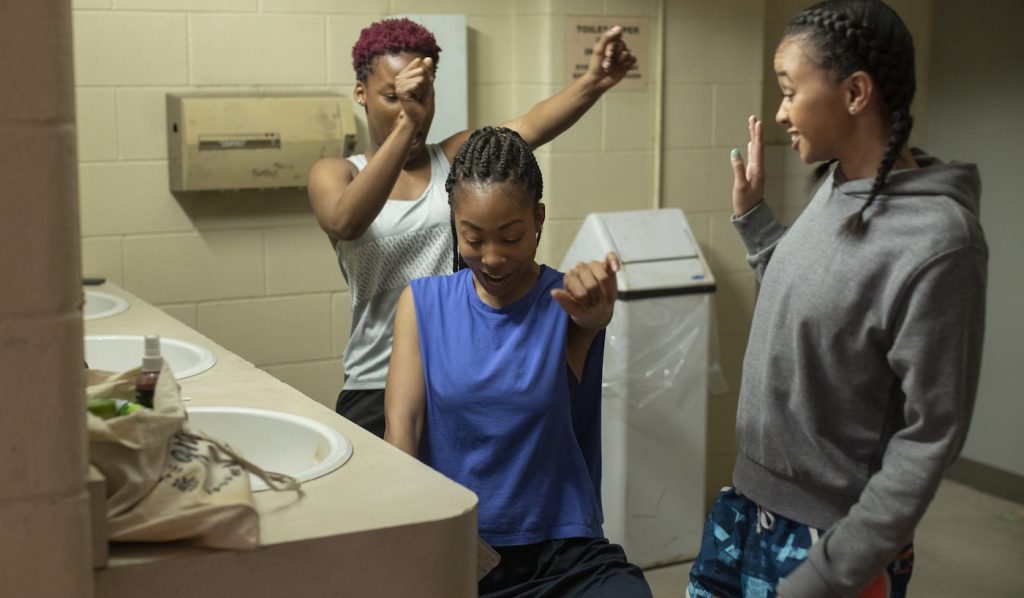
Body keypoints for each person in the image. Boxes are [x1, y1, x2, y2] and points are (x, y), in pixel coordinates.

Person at [686, 1, 988, 597]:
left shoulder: (938, 241)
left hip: (832, 539)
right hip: (751, 504)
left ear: (854, 92)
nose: (779, 112)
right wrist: (753, 218)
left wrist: (829, 573)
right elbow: (808, 305)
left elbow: (931, 435)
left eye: (789, 91)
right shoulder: (840, 188)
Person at [307, 18, 636, 437]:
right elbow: (346, 222)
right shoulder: (336, 174)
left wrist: (593, 82)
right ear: (361, 94)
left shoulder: (454, 159)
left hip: (458, 371)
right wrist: (407, 121)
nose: (409, 106)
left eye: (420, 95)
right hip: (374, 380)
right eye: (392, 96)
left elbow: (531, 126)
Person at [384, 127, 652, 597]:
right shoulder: (422, 305)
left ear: (539, 221)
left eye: (510, 237)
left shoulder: (564, 302)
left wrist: (595, 316)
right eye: (473, 238)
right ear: (454, 224)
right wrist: (408, 535)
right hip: (462, 547)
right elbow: (401, 429)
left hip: (561, 552)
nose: (492, 258)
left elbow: (588, 322)